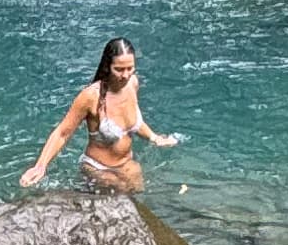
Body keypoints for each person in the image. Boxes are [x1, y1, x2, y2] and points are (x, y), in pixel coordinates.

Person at [22, 36, 177, 195]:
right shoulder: (90, 97)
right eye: (119, 69)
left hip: (126, 164)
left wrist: (154, 137)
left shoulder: (132, 84)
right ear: (107, 67)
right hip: (97, 167)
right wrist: (40, 166)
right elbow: (62, 133)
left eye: (130, 68)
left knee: (138, 193)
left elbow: (133, 122)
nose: (125, 75)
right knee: (121, 193)